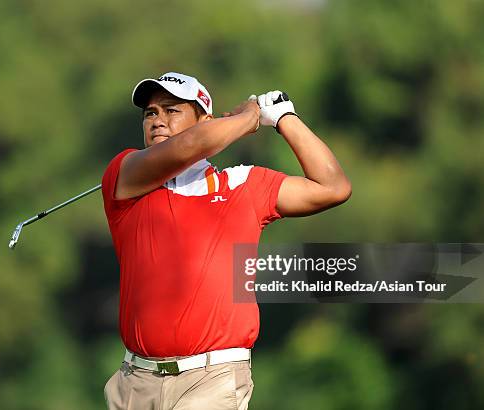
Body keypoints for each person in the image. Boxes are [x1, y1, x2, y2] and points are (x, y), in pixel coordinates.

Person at [101, 72, 351, 409]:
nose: (158, 120)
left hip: (212, 379)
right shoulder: (125, 177)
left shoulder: (242, 185)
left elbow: (332, 187)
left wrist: (282, 118)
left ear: (205, 118)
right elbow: (192, 145)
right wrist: (250, 116)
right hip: (135, 383)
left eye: (172, 111)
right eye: (150, 113)